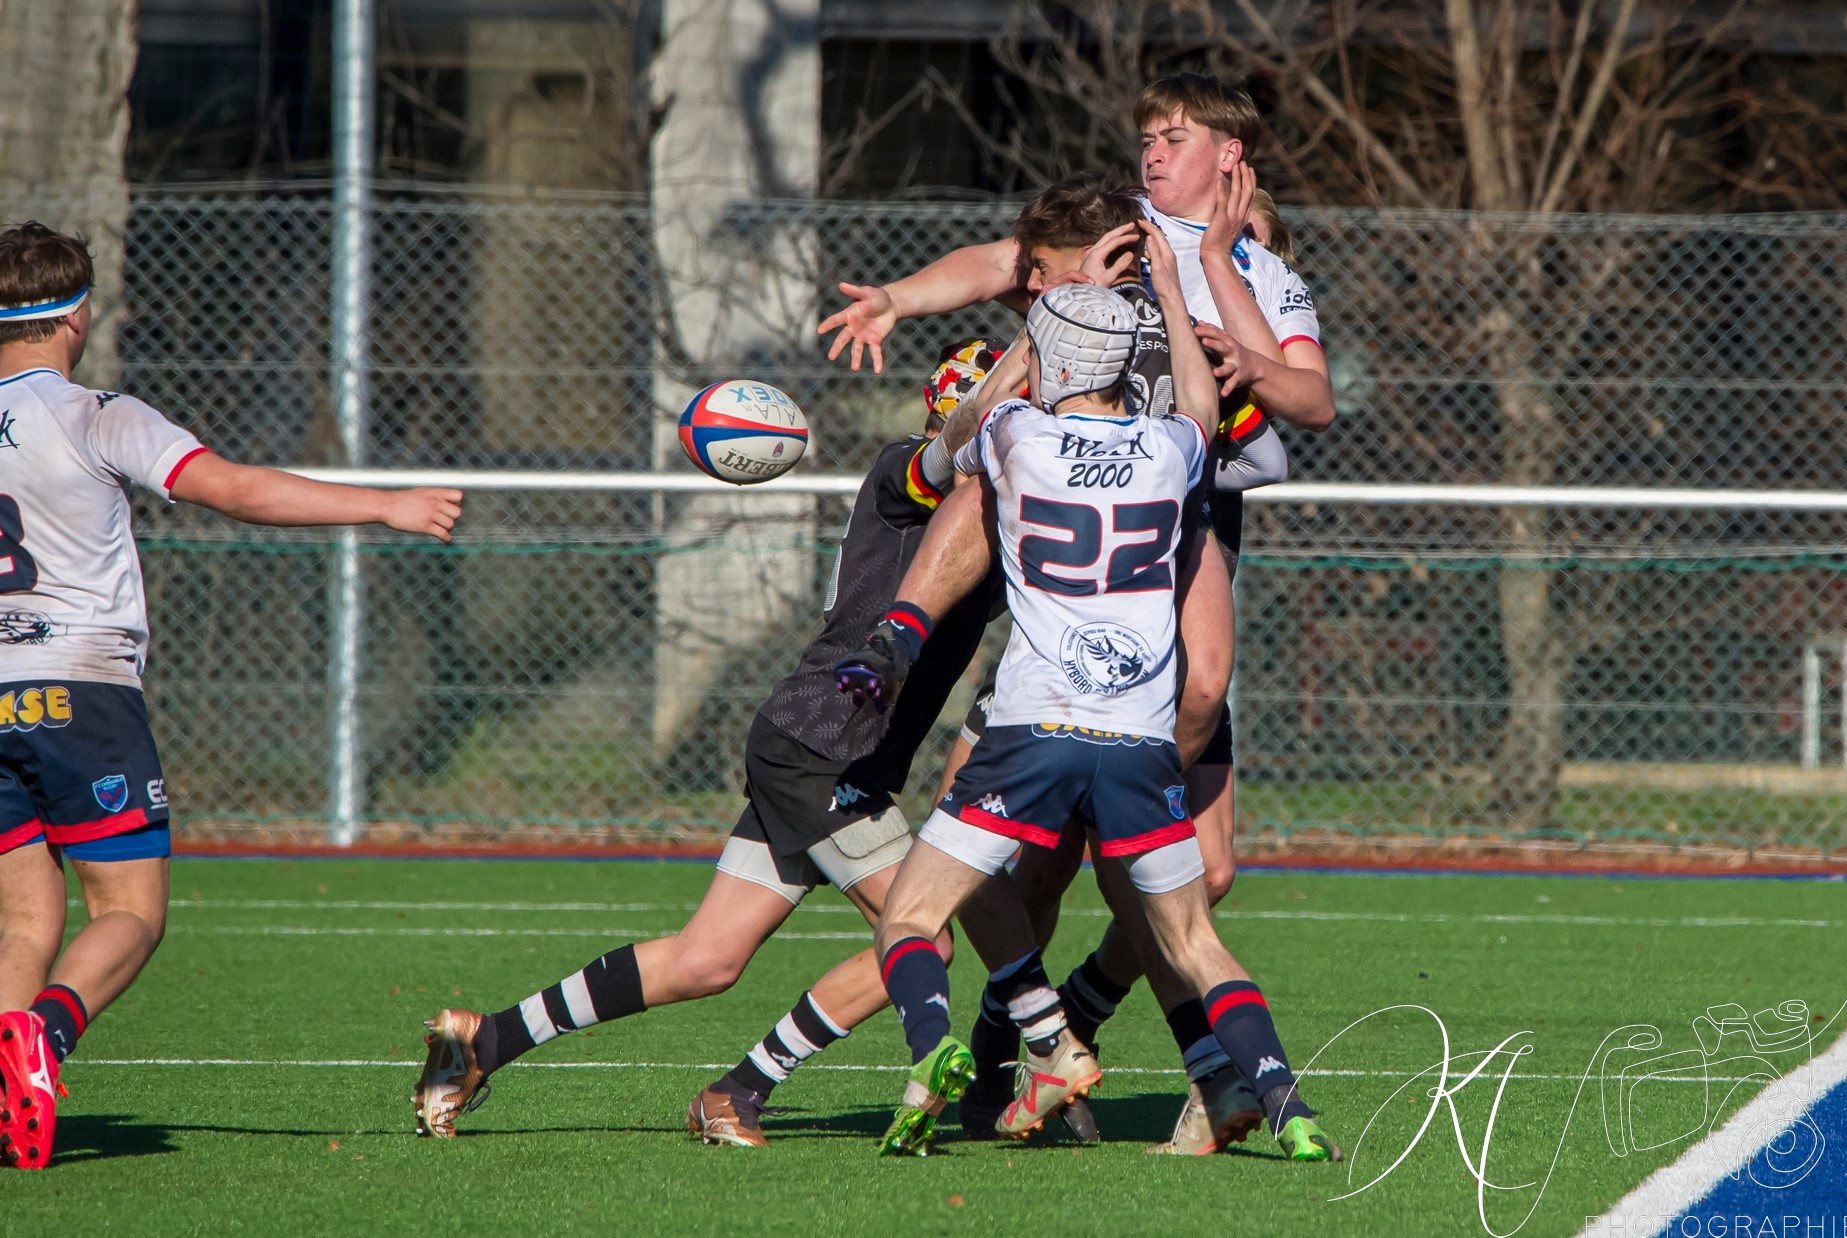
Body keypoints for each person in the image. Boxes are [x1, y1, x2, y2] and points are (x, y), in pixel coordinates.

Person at [817, 75, 1336, 1155]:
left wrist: (1215, 284)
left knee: (1204, 840)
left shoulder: (1260, 274)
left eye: (1176, 136)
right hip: (1094, 545)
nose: (1152, 152)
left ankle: (1101, 1021)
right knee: (1035, 869)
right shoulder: (1111, 235)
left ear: (1230, 156)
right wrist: (902, 301)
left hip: (1181, 518)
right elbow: (1003, 266)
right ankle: (1015, 1059)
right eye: (1146, 134)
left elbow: (1302, 404)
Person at [410, 340, 1018, 1146]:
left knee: (706, 960)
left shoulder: (1008, 513)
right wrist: (1026, 370)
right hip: (822, 746)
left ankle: (481, 1040)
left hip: (825, 749)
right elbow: (950, 454)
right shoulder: (907, 470)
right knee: (922, 938)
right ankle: (739, 1091)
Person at [0, 220, 462, 1170]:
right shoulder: (94, 413)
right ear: (75, 314)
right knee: (130, 911)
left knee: (19, 921)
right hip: (80, 692)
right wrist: (384, 504)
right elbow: (236, 487)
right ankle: (41, 1038)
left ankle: (7, 1095)